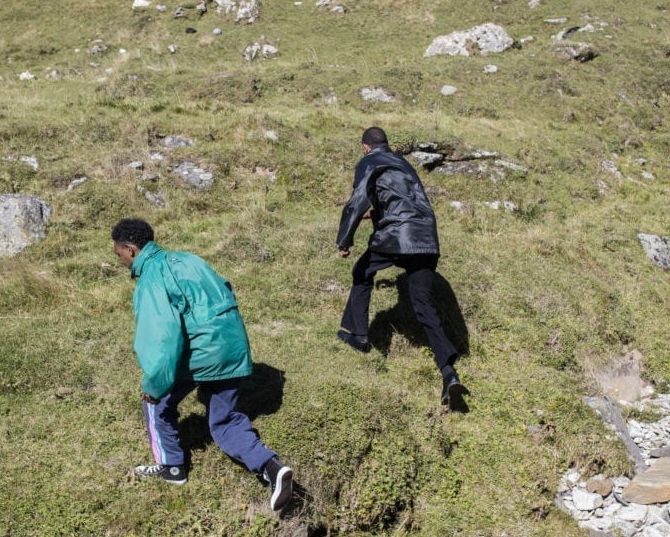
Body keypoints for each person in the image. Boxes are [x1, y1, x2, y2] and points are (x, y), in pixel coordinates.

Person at [111, 218, 293, 511]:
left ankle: (172, 469)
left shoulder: (150, 278)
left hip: (201, 353)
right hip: (232, 346)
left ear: (131, 250)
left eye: (118, 254)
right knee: (225, 419)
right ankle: (272, 468)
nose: (120, 260)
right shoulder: (190, 259)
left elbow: (163, 337)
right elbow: (226, 290)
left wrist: (154, 385)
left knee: (156, 403)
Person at [335, 126, 467, 408]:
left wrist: (344, 240)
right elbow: (403, 200)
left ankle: (359, 335)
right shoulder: (403, 163)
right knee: (423, 304)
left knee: (362, 273)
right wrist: (378, 213)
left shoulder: (369, 161)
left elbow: (358, 201)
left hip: (397, 237)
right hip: (427, 238)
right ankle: (448, 372)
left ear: (365, 147)